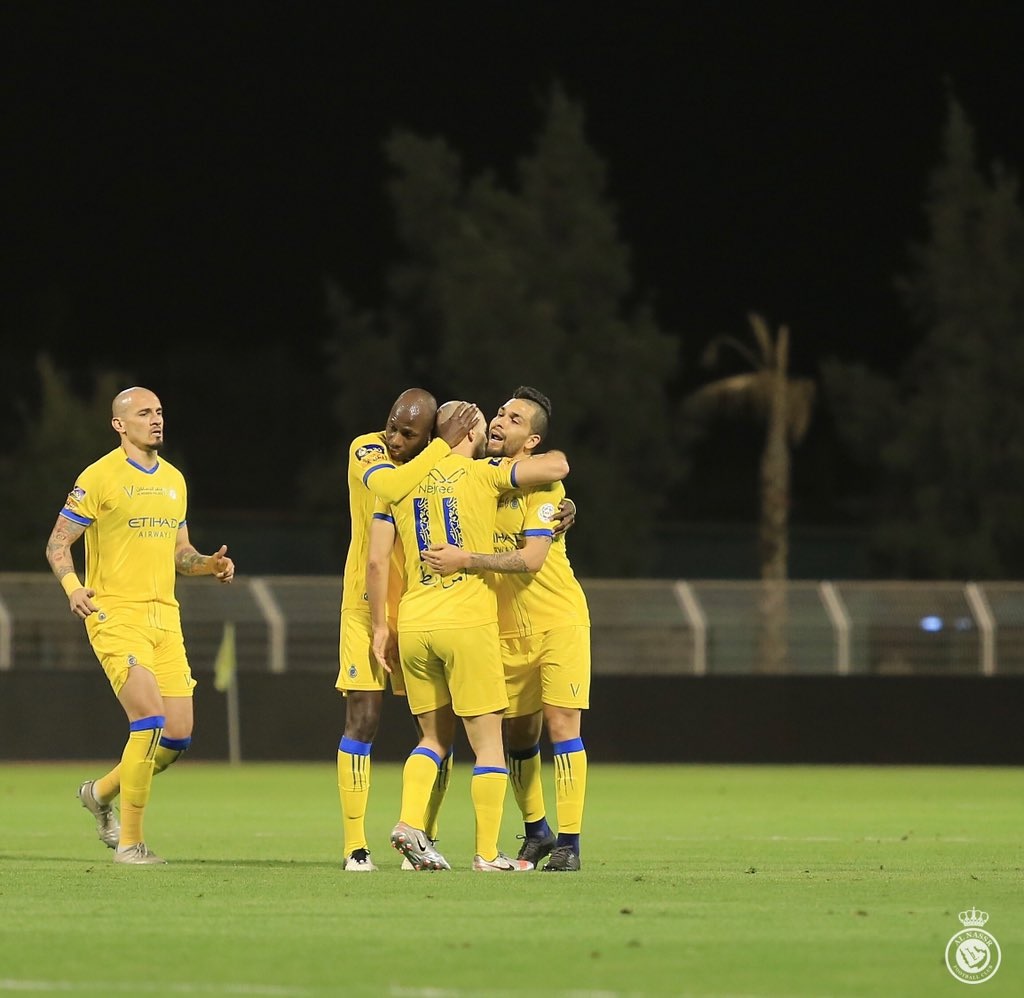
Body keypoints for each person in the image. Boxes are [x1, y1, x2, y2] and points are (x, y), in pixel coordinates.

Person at [368, 402, 569, 872]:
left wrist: (382, 623)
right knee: (489, 745)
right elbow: (555, 466)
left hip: (416, 622)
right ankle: (486, 854)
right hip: (466, 620)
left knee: (433, 740)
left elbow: (378, 560)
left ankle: (408, 824)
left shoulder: (406, 478)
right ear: (468, 433)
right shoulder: (485, 474)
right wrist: (565, 500)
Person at [44, 386, 235, 865]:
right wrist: (73, 589)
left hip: (165, 618)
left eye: (160, 412)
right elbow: (57, 544)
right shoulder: (99, 476)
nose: (156, 420)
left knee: (177, 736)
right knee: (148, 719)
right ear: (119, 425)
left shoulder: (174, 480)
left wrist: (208, 564)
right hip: (115, 615)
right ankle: (130, 843)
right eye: (145, 413)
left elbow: (180, 553)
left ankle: (100, 793)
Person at [421, 386, 590, 872]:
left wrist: (466, 559)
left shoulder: (544, 490)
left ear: (530, 440)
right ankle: (537, 830)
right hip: (501, 629)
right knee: (518, 736)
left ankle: (571, 844)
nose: (499, 420)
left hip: (558, 621)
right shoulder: (480, 479)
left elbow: (534, 558)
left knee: (562, 728)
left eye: (513, 418)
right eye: (499, 412)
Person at [335, 389, 480, 871]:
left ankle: (422, 837)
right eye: (393, 425)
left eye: (407, 433)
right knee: (364, 718)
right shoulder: (366, 448)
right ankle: (355, 847)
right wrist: (442, 446)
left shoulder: (437, 467)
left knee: (437, 731)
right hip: (364, 609)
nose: (394, 438)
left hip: (419, 611)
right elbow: (391, 488)